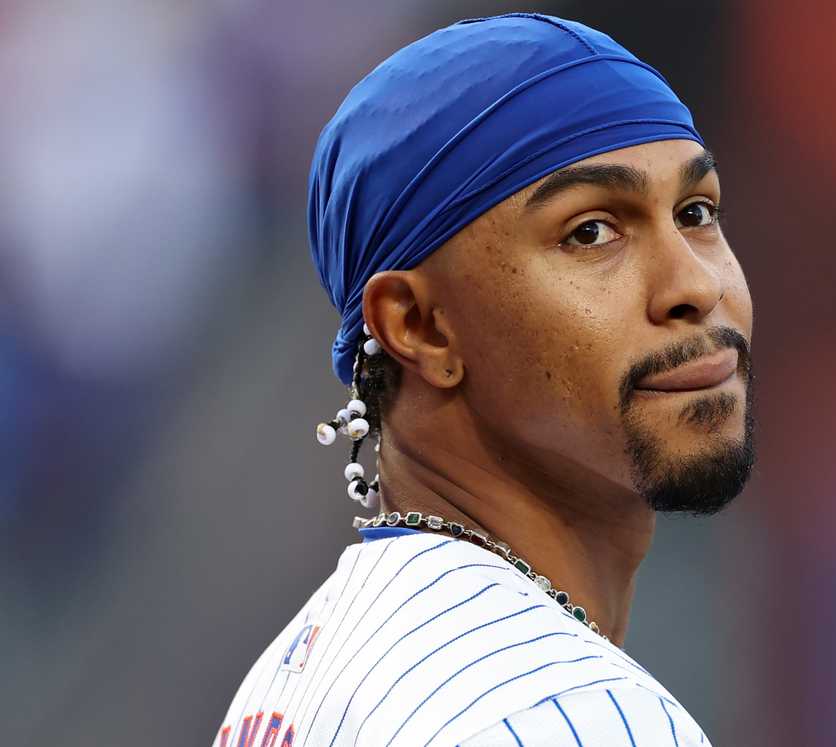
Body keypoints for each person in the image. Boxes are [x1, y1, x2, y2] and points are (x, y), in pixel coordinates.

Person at [214, 12, 754, 746]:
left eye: (696, 212)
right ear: (418, 325)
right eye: (591, 230)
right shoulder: (567, 711)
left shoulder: (283, 688)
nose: (694, 283)